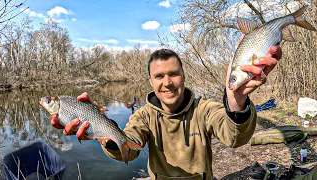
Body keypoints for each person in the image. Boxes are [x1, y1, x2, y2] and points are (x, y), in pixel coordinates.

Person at [51, 41, 282, 179]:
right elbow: (129, 150)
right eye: (159, 76)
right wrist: (102, 132)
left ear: (183, 76)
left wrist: (236, 102)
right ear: (150, 81)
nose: (167, 82)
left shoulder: (204, 109)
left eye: (173, 74)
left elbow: (234, 137)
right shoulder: (142, 116)